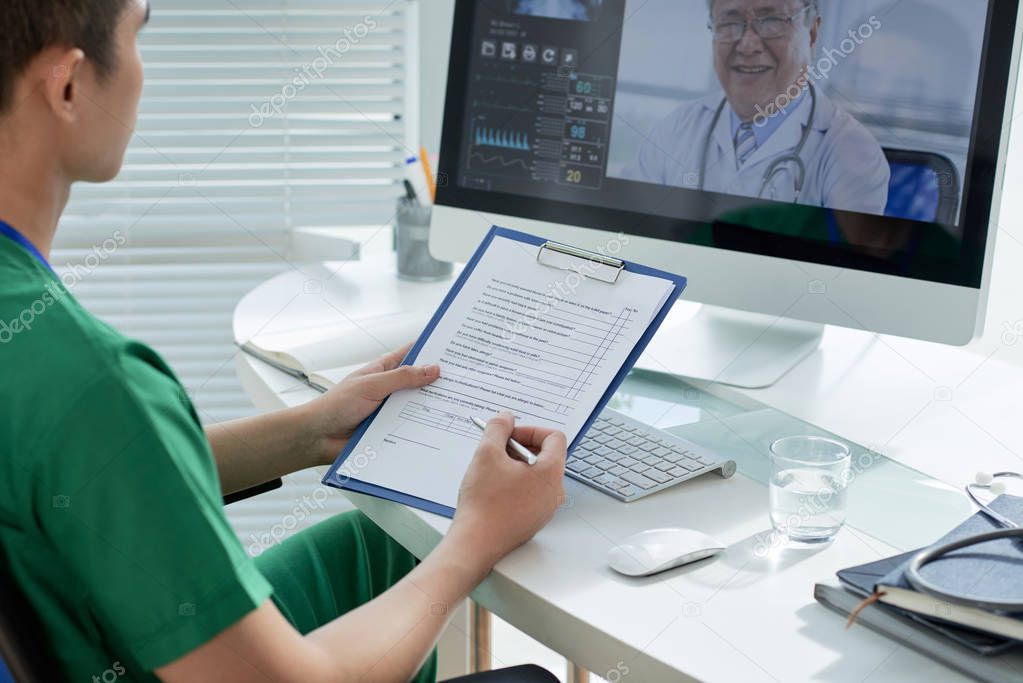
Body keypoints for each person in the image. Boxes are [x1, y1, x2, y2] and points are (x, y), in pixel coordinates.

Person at [0, 2, 567, 682]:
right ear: (66, 87)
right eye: (136, 37)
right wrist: (476, 536)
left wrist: (309, 432)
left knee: (377, 546)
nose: (143, 73)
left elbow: (88, 468)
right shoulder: (94, 379)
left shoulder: (36, 340)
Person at [624, 0, 890, 216]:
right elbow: (629, 228)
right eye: (729, 22)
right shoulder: (676, 129)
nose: (748, 45)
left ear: (811, 33)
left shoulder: (853, 153)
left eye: (772, 21)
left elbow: (843, 273)